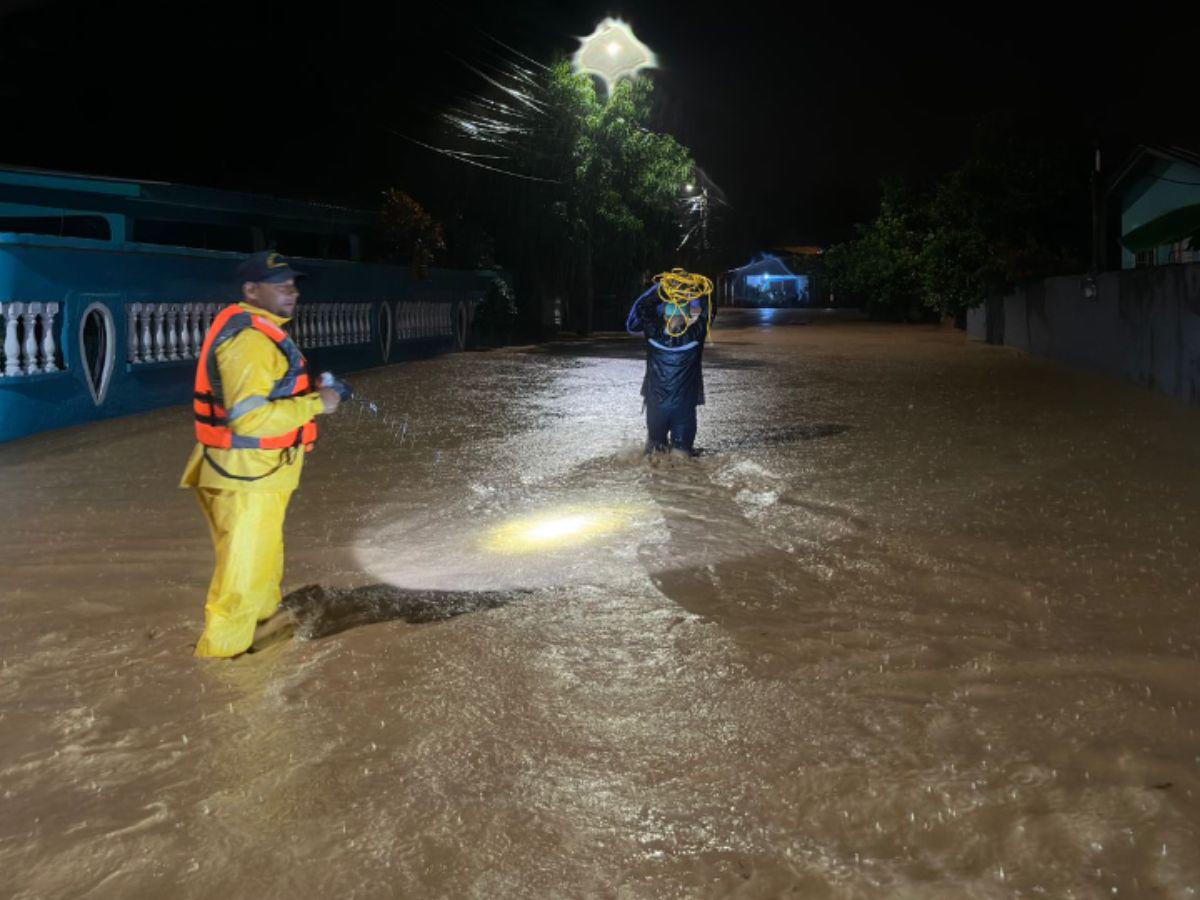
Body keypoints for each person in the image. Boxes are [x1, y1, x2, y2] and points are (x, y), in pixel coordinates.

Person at [181, 251, 343, 658]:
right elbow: (249, 420)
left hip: (256, 475)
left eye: (294, 283)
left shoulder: (263, 330)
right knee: (240, 582)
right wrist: (317, 405)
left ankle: (263, 643)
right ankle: (222, 670)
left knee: (262, 569)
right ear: (251, 290)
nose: (292, 291)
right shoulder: (250, 340)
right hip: (245, 478)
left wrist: (313, 393)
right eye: (280, 283)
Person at [625, 269, 714, 455]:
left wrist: (663, 288)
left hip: (656, 408)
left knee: (654, 455)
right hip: (684, 410)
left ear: (664, 315)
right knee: (683, 458)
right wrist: (692, 286)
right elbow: (709, 309)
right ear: (687, 316)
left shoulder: (652, 334)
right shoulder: (696, 336)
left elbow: (643, 308)